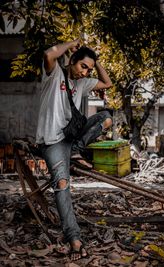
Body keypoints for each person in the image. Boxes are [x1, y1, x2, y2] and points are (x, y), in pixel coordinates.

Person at [35, 38, 112, 261]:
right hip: (52, 141)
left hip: (72, 138)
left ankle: (76, 151)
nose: (85, 73)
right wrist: (72, 44)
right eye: (82, 66)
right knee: (62, 183)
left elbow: (106, 83)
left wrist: (94, 61)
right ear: (72, 61)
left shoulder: (84, 83)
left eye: (88, 69)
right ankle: (74, 239)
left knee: (106, 118)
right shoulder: (55, 74)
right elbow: (49, 54)